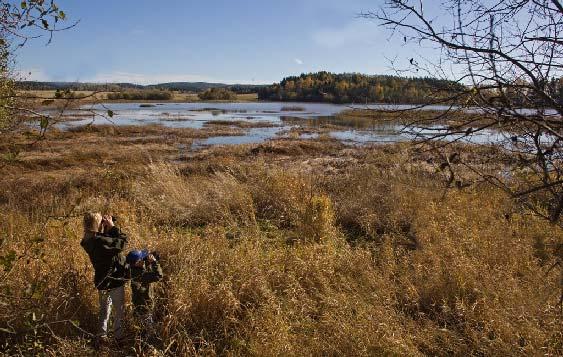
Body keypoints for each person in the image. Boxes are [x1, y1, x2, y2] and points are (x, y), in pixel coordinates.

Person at [80, 212, 128, 346]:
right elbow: (121, 243)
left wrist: (106, 229)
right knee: (119, 310)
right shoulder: (100, 241)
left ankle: (102, 336)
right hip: (114, 279)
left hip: (102, 280)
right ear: (97, 225)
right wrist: (113, 227)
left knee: (104, 310)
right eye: (101, 221)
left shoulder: (89, 240)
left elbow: (107, 245)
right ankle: (119, 338)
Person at [126, 249, 163, 341]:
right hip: (144, 306)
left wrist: (148, 259)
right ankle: (149, 344)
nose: (144, 259)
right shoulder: (141, 275)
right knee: (148, 329)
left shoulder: (133, 269)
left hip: (139, 305)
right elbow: (158, 275)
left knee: (142, 328)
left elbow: (143, 267)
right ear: (137, 262)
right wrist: (154, 262)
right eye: (142, 259)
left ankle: (143, 341)